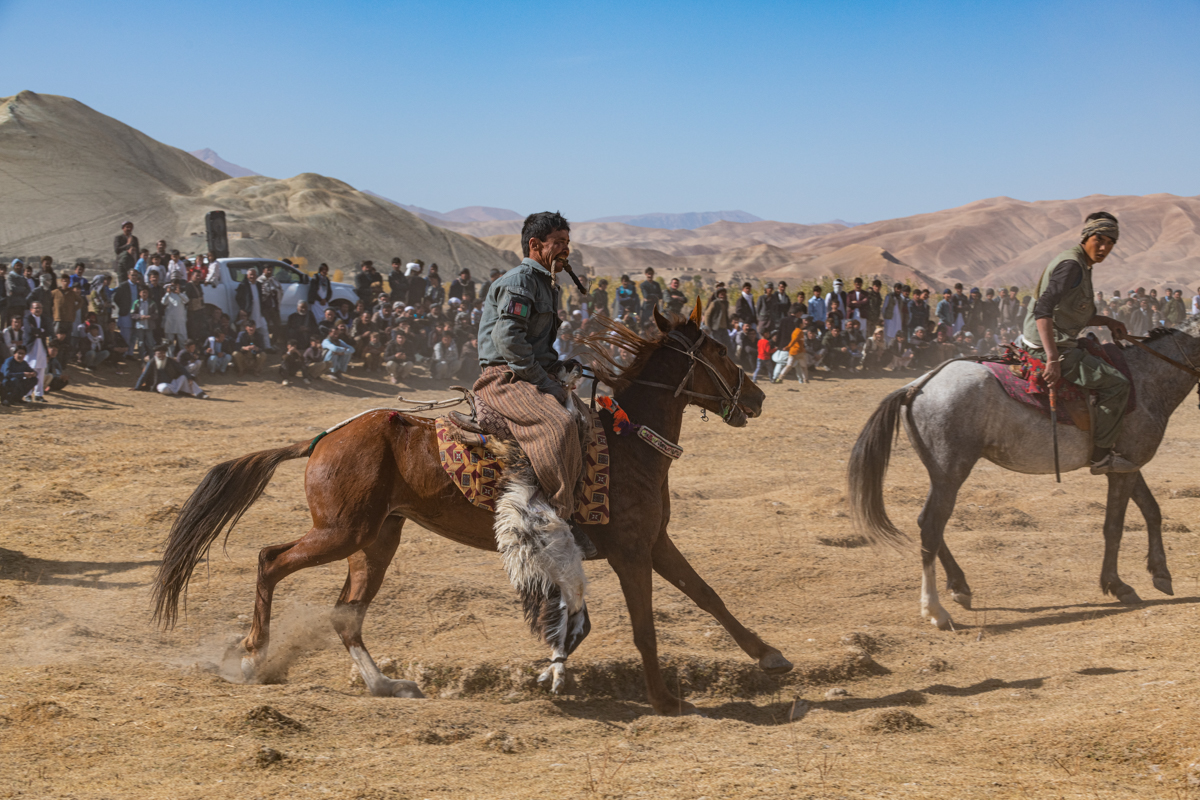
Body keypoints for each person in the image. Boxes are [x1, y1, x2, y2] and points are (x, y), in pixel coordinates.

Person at [475, 211, 595, 557]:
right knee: (559, 423)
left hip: (526, 371)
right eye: (558, 244)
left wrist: (558, 366)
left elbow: (535, 344)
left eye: (567, 244)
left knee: (585, 419)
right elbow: (509, 339)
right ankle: (554, 521)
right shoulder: (521, 281)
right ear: (535, 244)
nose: (565, 251)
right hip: (504, 377)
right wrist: (545, 381)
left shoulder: (546, 282)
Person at [1023, 212, 1132, 474]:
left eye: (1111, 243)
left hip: (1058, 339)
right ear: (1086, 237)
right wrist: (1051, 358)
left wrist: (1106, 321)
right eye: (1099, 239)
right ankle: (1101, 457)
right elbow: (1043, 309)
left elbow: (1072, 311)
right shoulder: (1072, 266)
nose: (1104, 247)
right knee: (1118, 385)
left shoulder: (1082, 265)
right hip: (1050, 344)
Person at [134, 343, 208, 397]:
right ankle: (180, 391)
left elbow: (181, 369)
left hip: (172, 383)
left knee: (184, 377)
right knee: (163, 388)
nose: (161, 355)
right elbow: (144, 375)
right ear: (155, 354)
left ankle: (200, 393)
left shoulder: (170, 360)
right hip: (159, 385)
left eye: (163, 353)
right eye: (159, 354)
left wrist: (189, 378)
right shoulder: (151, 362)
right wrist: (137, 387)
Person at [22, 300, 51, 402]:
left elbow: (48, 331)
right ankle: (27, 394)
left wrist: (38, 331)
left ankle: (39, 395)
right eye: (36, 308)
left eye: (40, 308)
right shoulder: (27, 318)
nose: (38, 310)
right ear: (31, 309)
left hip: (41, 347)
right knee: (29, 370)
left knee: (40, 371)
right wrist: (41, 331)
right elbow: (29, 331)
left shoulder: (44, 319)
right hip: (31, 347)